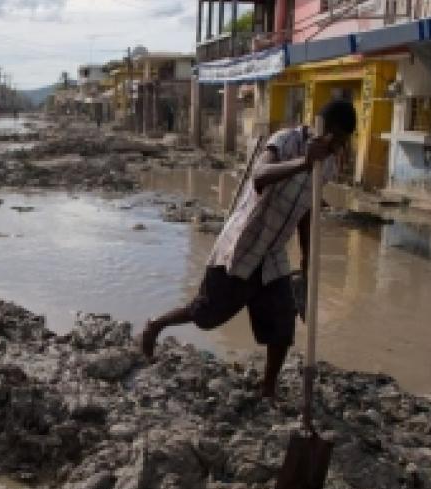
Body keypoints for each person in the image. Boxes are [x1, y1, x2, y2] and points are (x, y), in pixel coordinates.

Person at [139, 99, 357, 399]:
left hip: (274, 252)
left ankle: (268, 388)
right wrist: (303, 163)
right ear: (328, 130)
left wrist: (306, 257)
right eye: (339, 139)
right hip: (244, 243)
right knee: (208, 313)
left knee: (283, 321)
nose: (340, 148)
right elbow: (259, 176)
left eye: (345, 141)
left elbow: (306, 210)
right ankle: (155, 325)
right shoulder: (286, 140)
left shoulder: (329, 164)